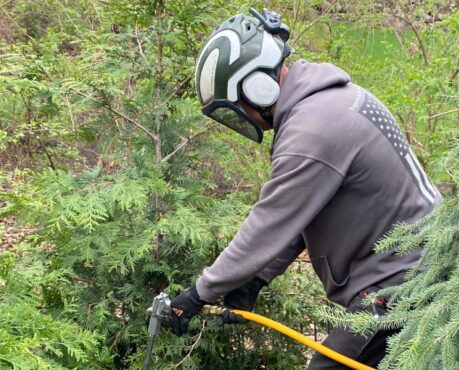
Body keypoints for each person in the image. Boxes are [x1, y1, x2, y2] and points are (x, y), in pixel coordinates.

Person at [167, 8, 440, 369]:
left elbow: (271, 221)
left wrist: (200, 293)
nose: (242, 116)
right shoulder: (329, 102)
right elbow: (303, 213)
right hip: (416, 265)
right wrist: (256, 279)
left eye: (237, 105)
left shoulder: (312, 130)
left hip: (400, 281)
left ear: (257, 85)